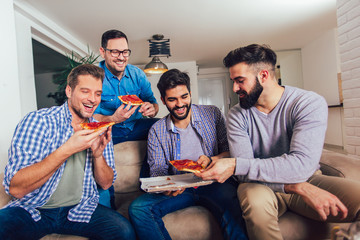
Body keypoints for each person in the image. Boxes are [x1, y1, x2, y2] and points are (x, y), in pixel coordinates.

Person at [196, 44, 360, 240]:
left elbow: (301, 165)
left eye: (240, 81)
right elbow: (244, 174)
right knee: (253, 200)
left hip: (309, 178)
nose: (234, 88)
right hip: (259, 185)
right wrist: (296, 187)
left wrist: (237, 165)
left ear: (264, 76)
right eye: (233, 81)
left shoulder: (308, 103)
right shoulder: (237, 115)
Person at [0, 64, 135, 240]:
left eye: (98, 93)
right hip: (33, 208)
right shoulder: (38, 121)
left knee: (124, 232)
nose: (93, 99)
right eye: (85, 91)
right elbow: (16, 189)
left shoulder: (100, 128)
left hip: (79, 208)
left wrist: (98, 155)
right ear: (69, 91)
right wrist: (68, 148)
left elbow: (106, 184)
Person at [128, 69, 248, 240]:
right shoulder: (156, 130)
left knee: (233, 211)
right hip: (180, 187)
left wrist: (211, 160)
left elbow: (231, 152)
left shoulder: (212, 114)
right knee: (138, 208)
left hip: (214, 182)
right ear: (163, 100)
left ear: (190, 94)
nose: (179, 104)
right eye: (172, 99)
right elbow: (158, 169)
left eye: (184, 97)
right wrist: (166, 186)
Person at [94, 29, 159, 144]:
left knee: (164, 125)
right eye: (115, 52)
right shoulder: (93, 77)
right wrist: (113, 119)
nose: (121, 57)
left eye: (125, 52)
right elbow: (92, 117)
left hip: (136, 126)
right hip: (110, 130)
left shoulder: (138, 74)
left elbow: (153, 103)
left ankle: (151, 163)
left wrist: (152, 109)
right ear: (103, 52)